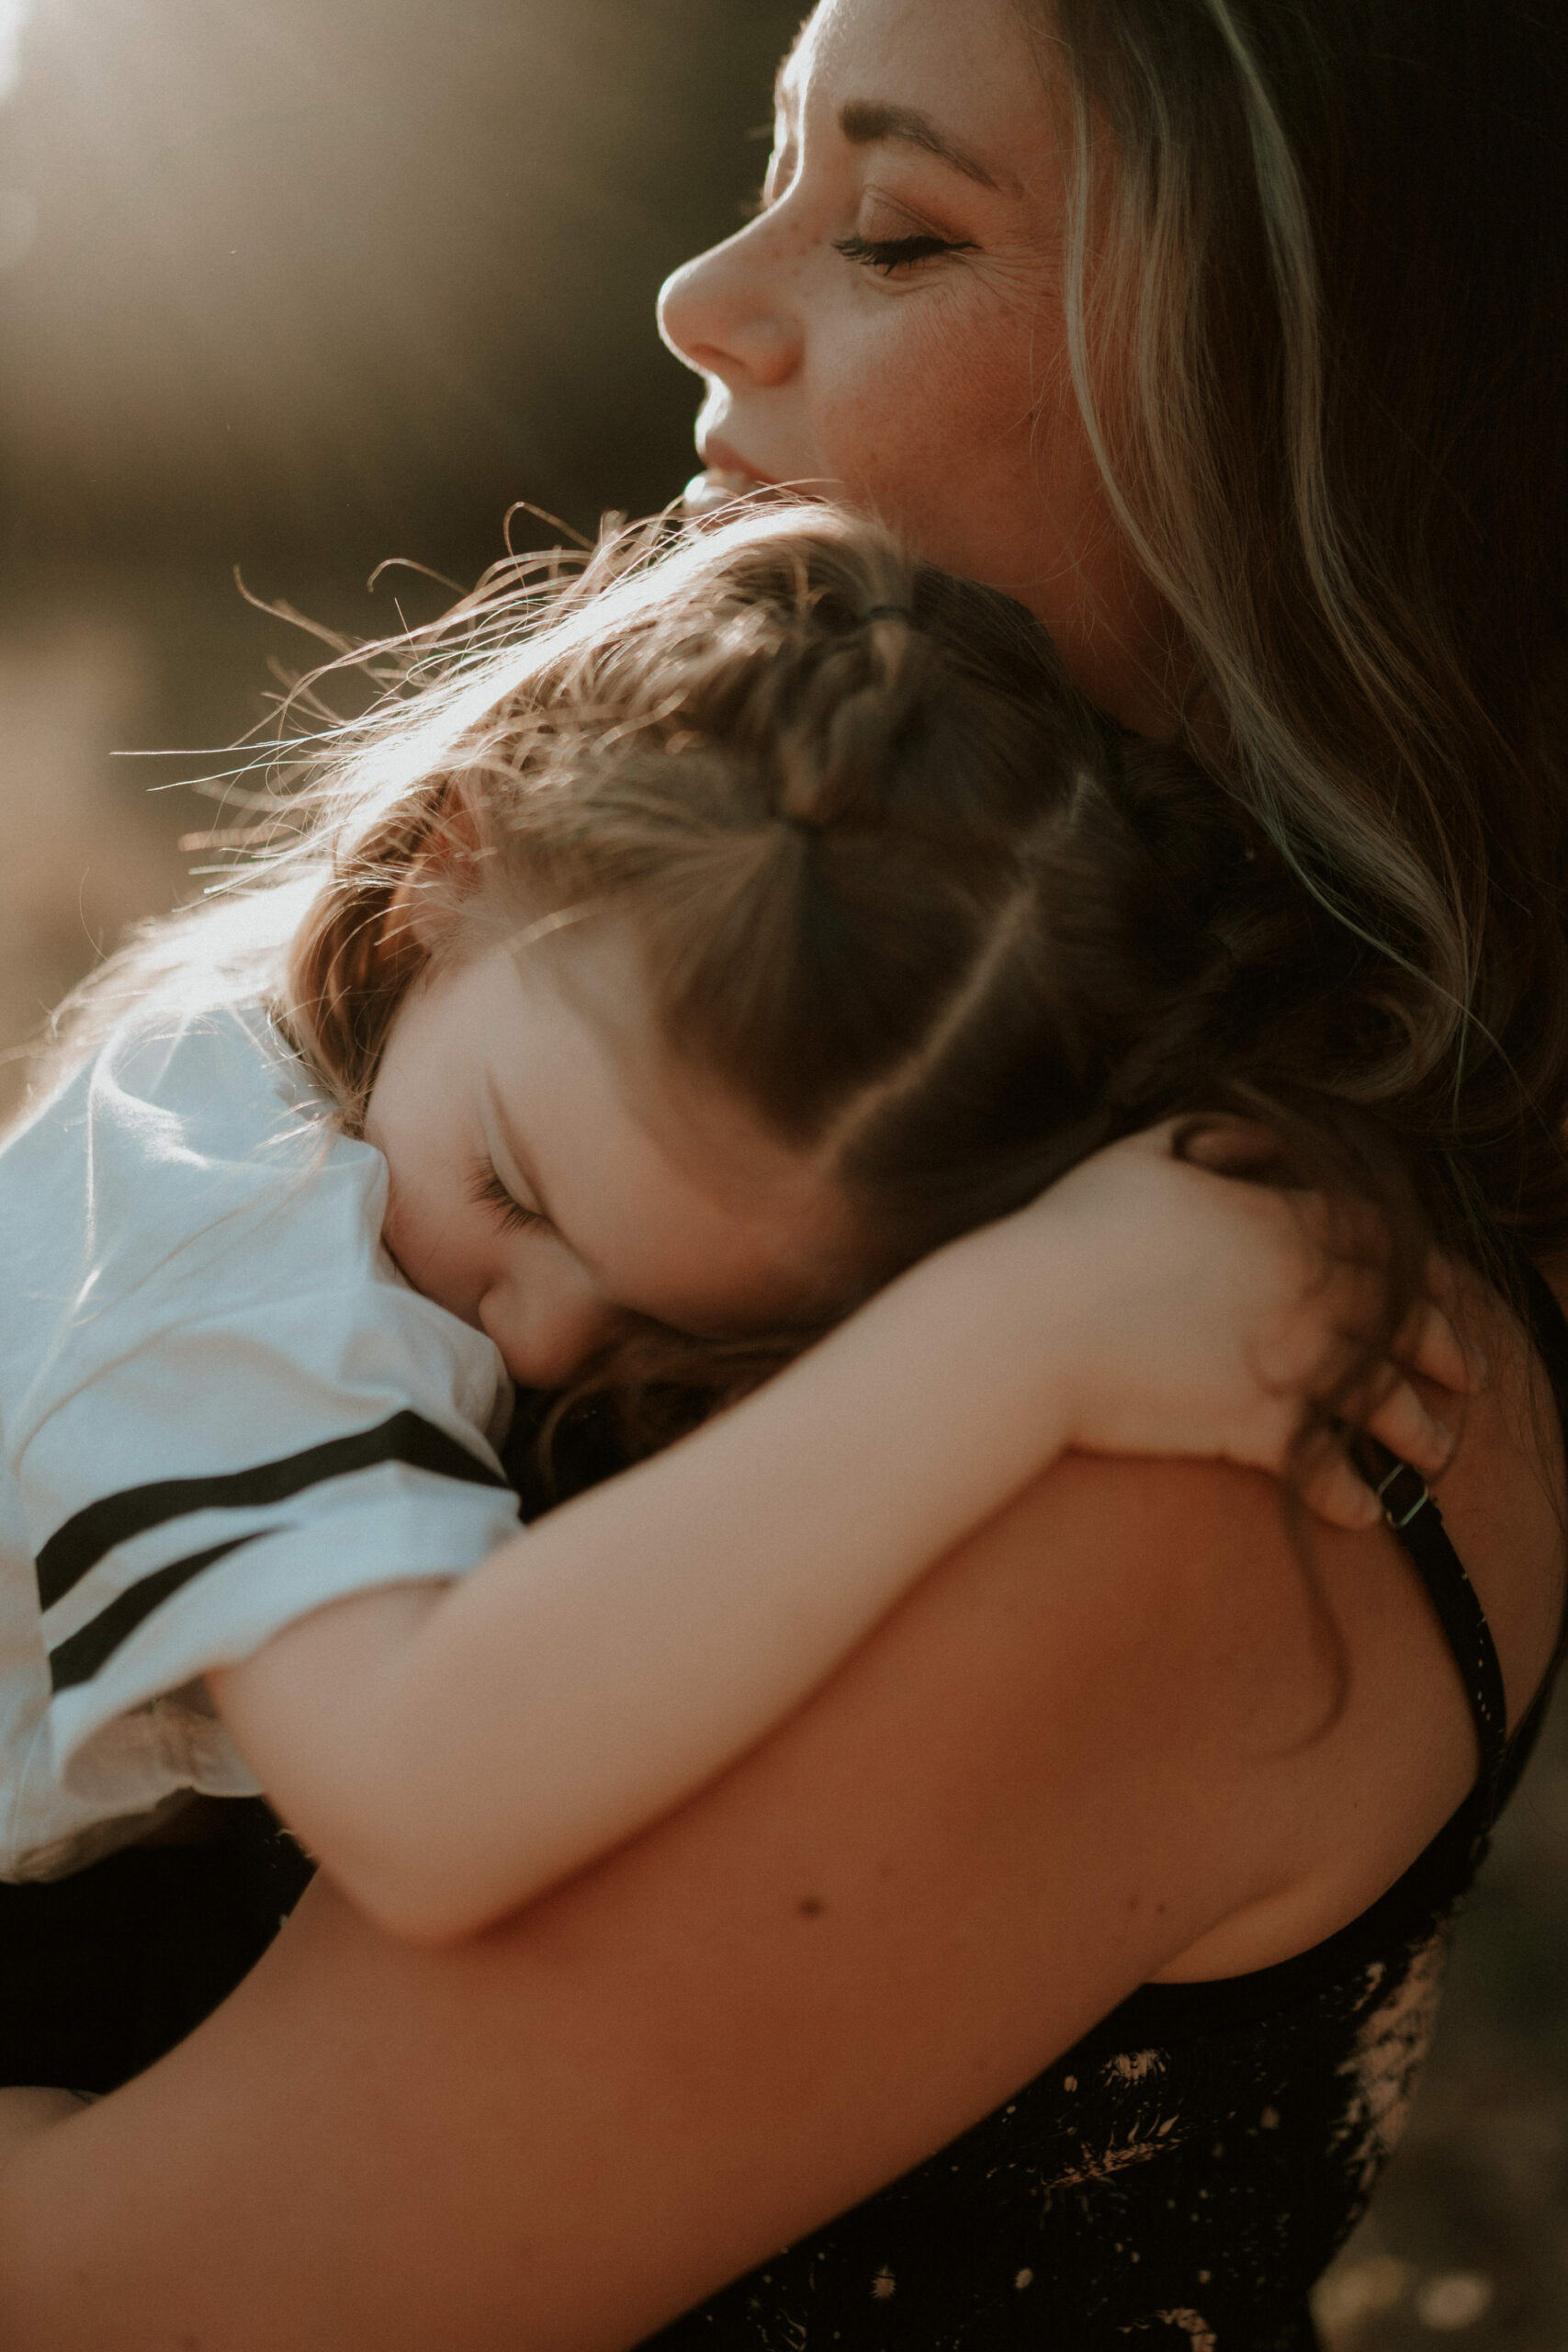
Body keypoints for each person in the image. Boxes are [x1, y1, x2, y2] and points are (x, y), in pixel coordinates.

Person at [0, 0, 1562, 2344]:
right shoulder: (281, 1158)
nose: (697, 297)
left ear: (1314, 407)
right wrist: (1014, 1334)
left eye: (895, 223)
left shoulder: (1233, 1355)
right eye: (770, 159)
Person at [0, 504, 1451, 2146]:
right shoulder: (229, 1225)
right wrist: (1030, 1333)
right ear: (448, 875)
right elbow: (427, 1793)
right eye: (523, 1199)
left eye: (668, 1326)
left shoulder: (420, 1059)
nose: (547, 1344)